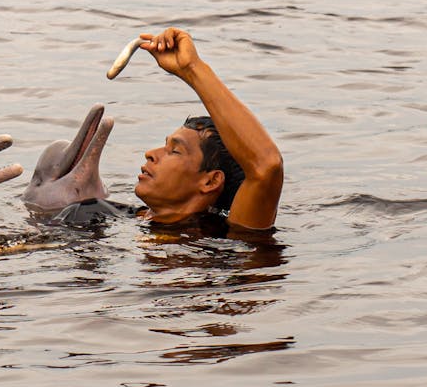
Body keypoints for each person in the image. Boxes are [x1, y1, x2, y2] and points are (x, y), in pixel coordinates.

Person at [54, 27, 283, 233]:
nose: (151, 153)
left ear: (211, 181)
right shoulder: (93, 213)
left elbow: (267, 166)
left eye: (175, 151)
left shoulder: (229, 234)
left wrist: (192, 69)